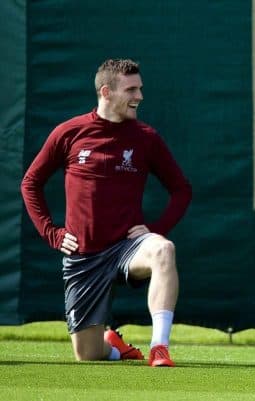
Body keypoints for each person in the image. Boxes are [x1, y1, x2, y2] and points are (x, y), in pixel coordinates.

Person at [21, 59, 192, 367]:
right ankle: (115, 347)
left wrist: (156, 227)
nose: (139, 96)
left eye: (139, 88)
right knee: (87, 355)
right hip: (84, 256)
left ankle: (159, 347)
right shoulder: (68, 132)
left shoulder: (146, 137)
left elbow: (181, 189)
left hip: (128, 247)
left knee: (164, 250)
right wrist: (52, 233)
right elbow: (30, 183)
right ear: (106, 92)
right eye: (131, 89)